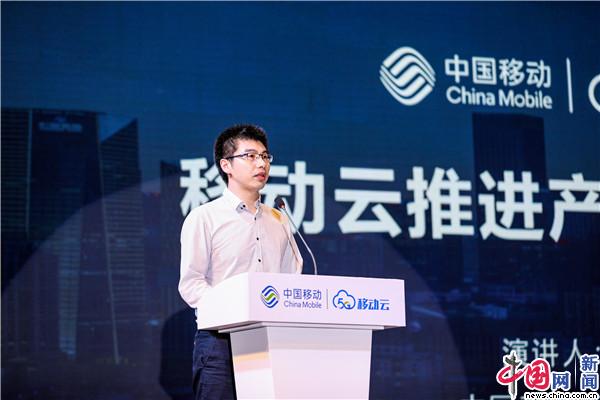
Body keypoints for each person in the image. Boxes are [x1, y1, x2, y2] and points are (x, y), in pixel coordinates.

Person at [178, 124, 303, 400]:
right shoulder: (204, 217)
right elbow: (191, 284)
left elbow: (290, 280)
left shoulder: (279, 220)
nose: (261, 163)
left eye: (265, 156)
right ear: (226, 165)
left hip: (270, 339)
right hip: (220, 342)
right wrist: (234, 310)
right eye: (250, 156)